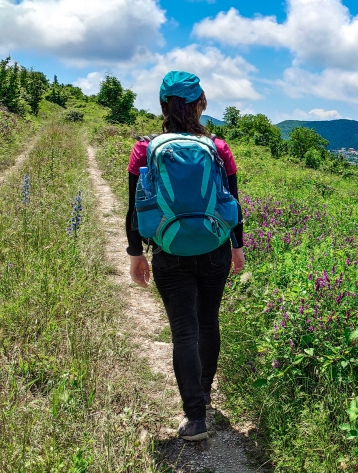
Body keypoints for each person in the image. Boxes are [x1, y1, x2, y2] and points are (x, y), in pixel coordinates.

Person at [126, 71, 245, 441]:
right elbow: (232, 201)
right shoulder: (218, 148)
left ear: (163, 103)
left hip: (168, 250)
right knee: (208, 322)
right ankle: (206, 394)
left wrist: (135, 253)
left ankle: (195, 418)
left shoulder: (145, 149)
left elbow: (135, 207)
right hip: (215, 248)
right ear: (201, 103)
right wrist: (237, 248)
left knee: (184, 332)